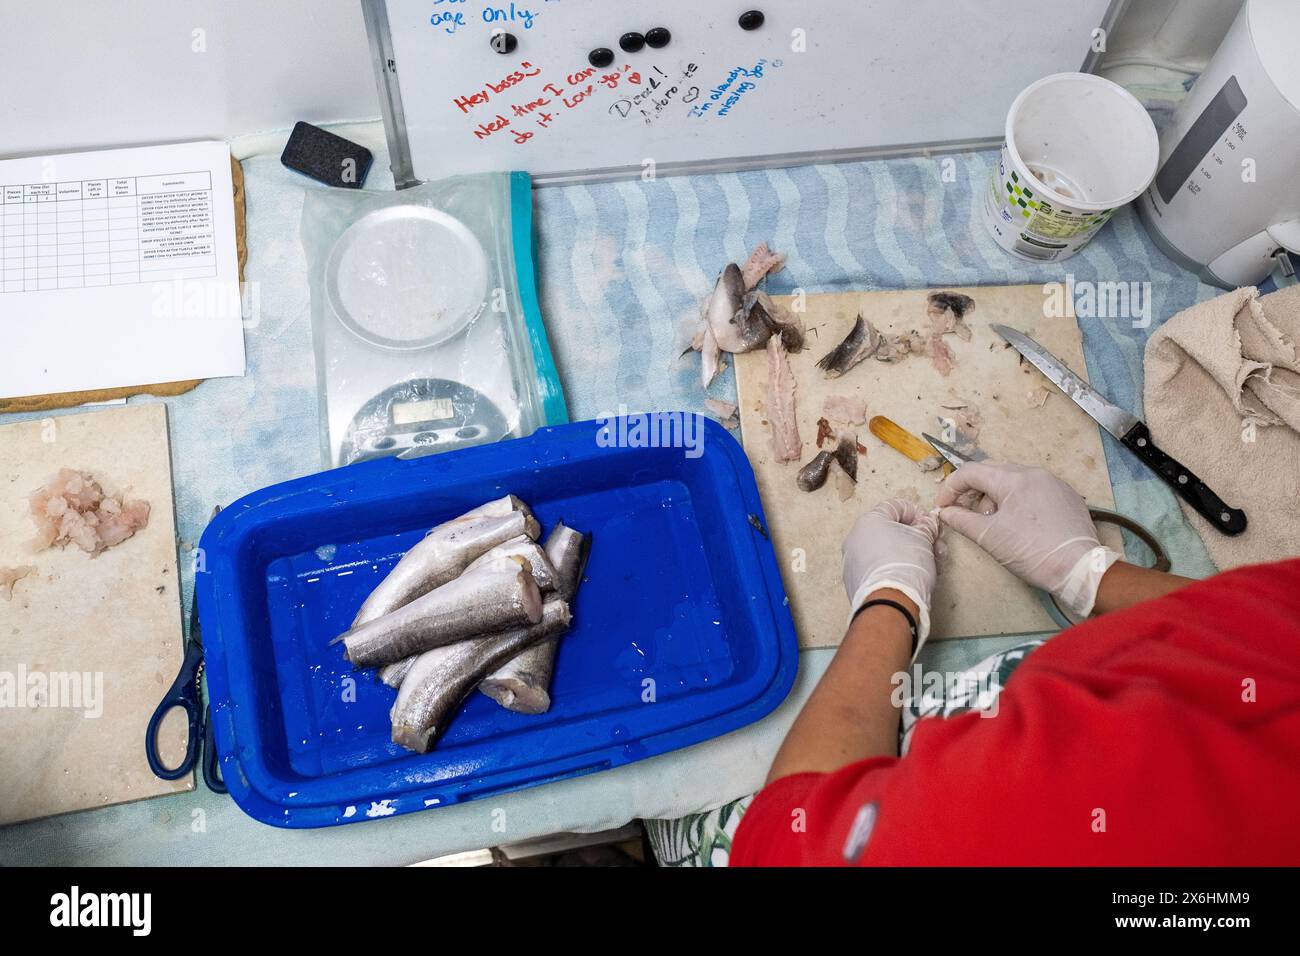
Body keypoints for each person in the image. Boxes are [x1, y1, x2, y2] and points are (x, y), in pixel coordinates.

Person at [730, 461, 1300, 865]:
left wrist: (888, 600)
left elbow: (785, 837)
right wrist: (1092, 573)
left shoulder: (1071, 808)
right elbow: (1247, 630)